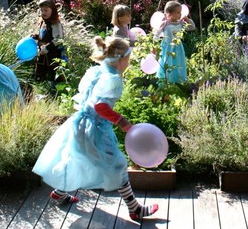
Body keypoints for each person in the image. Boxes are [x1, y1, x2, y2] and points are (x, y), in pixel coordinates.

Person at [32, 37, 159, 223]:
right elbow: (100, 106)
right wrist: (121, 121)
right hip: (94, 129)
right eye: (128, 60)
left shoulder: (98, 71)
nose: (129, 64)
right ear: (121, 60)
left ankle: (59, 194)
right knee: (117, 164)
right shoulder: (113, 79)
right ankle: (135, 209)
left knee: (79, 159)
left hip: (81, 123)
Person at [154, 0, 196, 84]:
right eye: (177, 12)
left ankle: (178, 81)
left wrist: (187, 19)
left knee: (178, 63)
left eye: (180, 12)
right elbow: (156, 34)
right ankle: (167, 81)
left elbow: (192, 27)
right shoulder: (165, 24)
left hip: (178, 47)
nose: (180, 14)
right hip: (168, 48)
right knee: (168, 63)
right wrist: (154, 46)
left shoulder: (180, 23)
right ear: (169, 13)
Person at [32, 0, 65, 82]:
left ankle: (56, 92)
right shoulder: (42, 22)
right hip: (42, 56)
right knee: (39, 74)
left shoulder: (55, 24)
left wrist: (47, 47)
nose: (43, 12)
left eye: (46, 10)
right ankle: (40, 89)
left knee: (55, 75)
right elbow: (42, 35)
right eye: (42, 10)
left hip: (53, 55)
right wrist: (36, 36)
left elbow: (58, 39)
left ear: (52, 10)